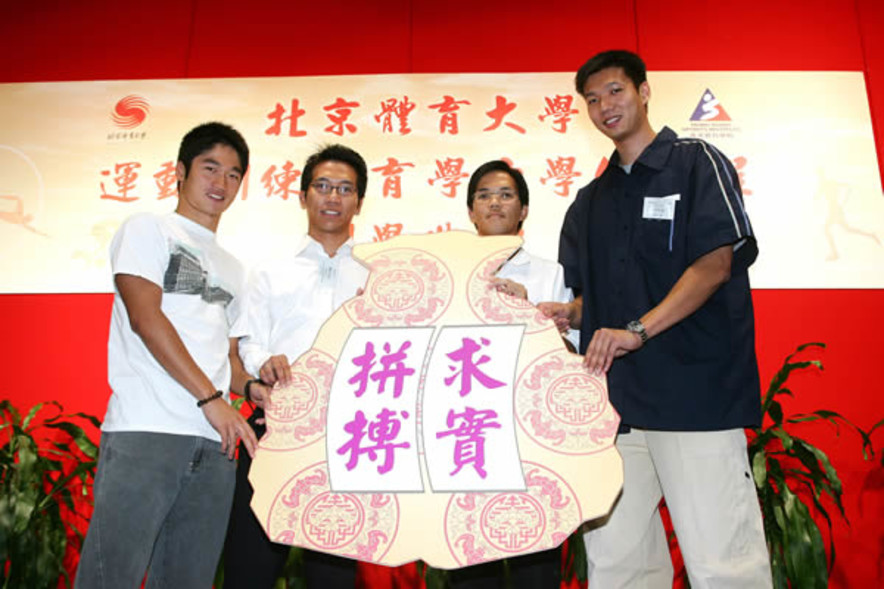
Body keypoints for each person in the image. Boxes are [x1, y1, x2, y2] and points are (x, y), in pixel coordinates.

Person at [539, 50, 773, 588]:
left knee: (723, 562)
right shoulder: (588, 202)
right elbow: (590, 303)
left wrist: (637, 330)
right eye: (592, 100)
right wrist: (565, 315)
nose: (605, 106)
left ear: (644, 92)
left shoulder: (695, 162)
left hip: (696, 398)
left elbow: (716, 264)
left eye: (615, 91)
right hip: (616, 410)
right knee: (619, 565)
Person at [76, 122, 258, 589]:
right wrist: (208, 398)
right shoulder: (147, 229)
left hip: (215, 446)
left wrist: (253, 387)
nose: (220, 183)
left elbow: (229, 361)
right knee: (108, 578)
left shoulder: (235, 268)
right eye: (209, 168)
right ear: (180, 171)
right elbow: (145, 318)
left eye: (233, 174)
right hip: (146, 433)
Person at [223, 144, 370, 588]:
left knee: (334, 577)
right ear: (303, 196)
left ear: (359, 202)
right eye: (322, 186)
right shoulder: (271, 272)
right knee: (251, 567)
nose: (332, 197)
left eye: (345, 189)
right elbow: (249, 343)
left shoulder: (377, 275)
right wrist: (263, 364)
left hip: (348, 441)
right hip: (274, 434)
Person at [447, 160, 576, 589]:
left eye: (505, 194)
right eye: (484, 195)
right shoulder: (448, 274)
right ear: (470, 211)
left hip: (527, 435)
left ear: (523, 210)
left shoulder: (549, 273)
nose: (494, 202)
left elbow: (568, 357)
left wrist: (528, 312)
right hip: (463, 434)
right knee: (469, 562)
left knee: (534, 563)